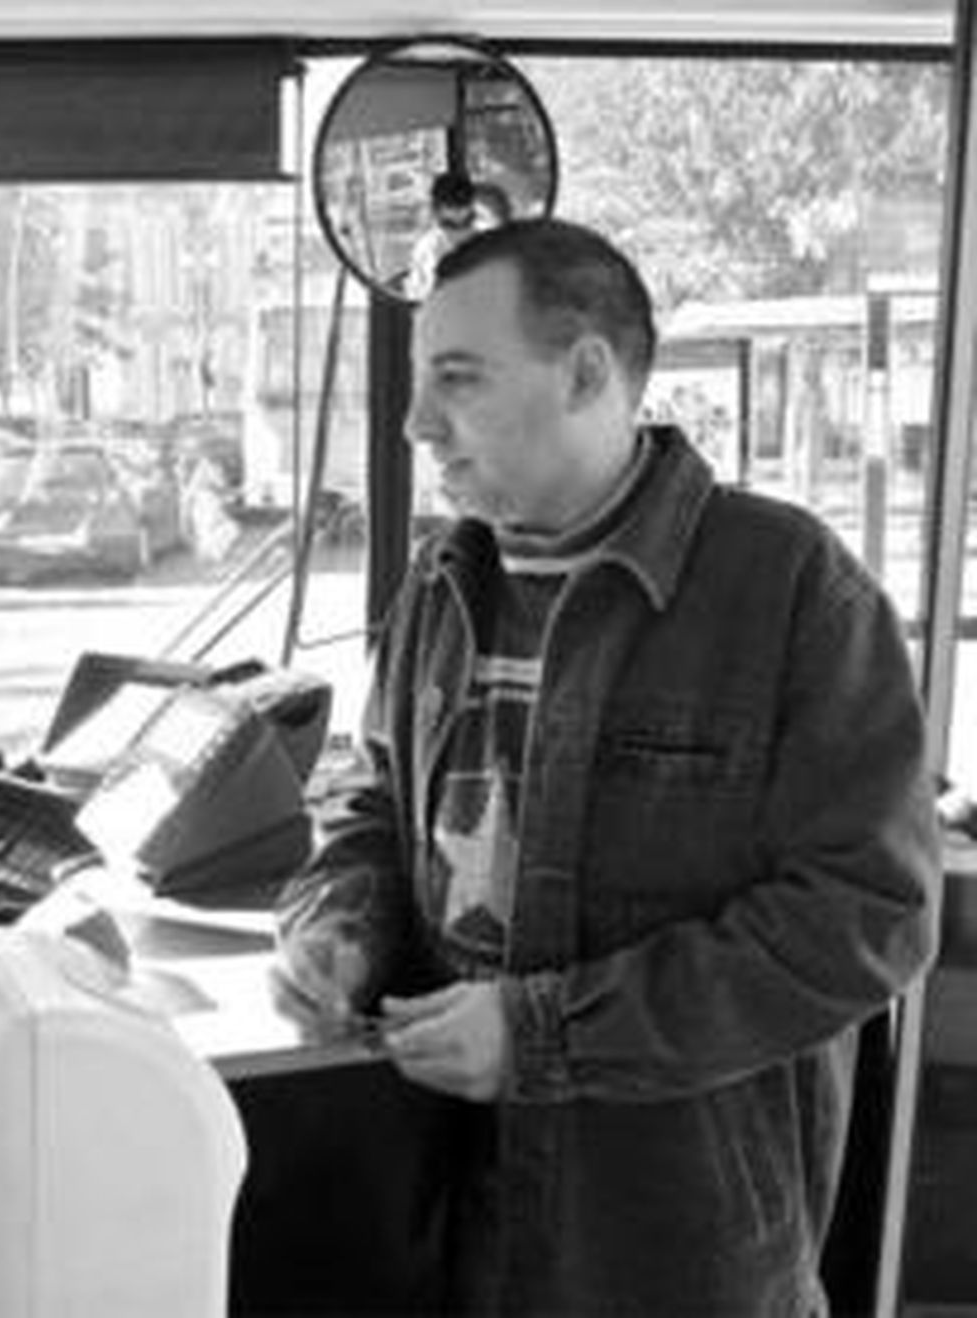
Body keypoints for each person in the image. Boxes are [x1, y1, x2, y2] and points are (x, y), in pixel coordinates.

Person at [275, 216, 939, 1315]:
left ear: (585, 372)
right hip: (448, 1222)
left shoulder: (790, 591)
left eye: (457, 379)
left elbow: (866, 916)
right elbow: (371, 799)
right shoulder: (436, 583)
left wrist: (541, 1036)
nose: (412, 424)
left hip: (673, 1255)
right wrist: (342, 918)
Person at [405, 171, 480, 301]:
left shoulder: (487, 242)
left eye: (463, 203)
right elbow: (415, 296)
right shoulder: (426, 248)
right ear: (438, 208)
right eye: (451, 205)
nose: (458, 211)